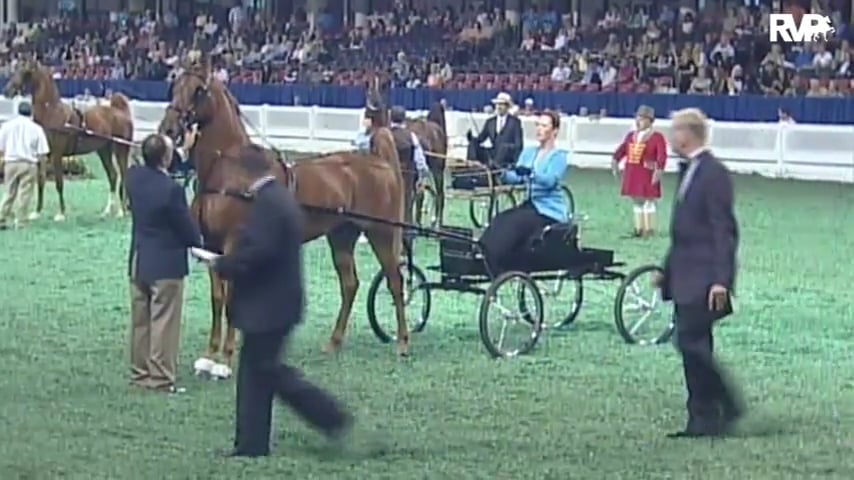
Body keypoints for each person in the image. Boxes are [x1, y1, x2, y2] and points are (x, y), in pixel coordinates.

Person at [202, 145, 352, 458]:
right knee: (257, 374)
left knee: (269, 373)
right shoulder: (277, 198)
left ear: (245, 173)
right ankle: (252, 443)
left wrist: (222, 264)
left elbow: (258, 253)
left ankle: (330, 417)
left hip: (269, 307)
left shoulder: (269, 204)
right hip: (275, 304)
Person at [656, 108, 743, 438]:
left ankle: (726, 405)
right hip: (686, 275)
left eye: (674, 129)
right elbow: (684, 231)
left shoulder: (713, 173)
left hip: (704, 277)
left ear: (686, 133)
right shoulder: (691, 171)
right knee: (694, 345)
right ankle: (705, 417)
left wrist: (721, 279)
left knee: (690, 342)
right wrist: (667, 271)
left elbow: (724, 231)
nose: (671, 135)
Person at [126, 134, 202, 394]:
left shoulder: (133, 177)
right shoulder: (172, 190)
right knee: (164, 323)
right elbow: (188, 231)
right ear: (166, 158)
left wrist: (181, 150)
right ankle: (160, 378)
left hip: (138, 260)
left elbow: (147, 160)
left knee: (140, 321)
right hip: (166, 265)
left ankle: (140, 372)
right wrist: (199, 241)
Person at [479, 111, 569, 274]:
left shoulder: (559, 156)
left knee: (515, 223)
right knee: (500, 219)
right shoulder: (529, 152)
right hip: (530, 206)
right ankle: (485, 254)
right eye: (538, 125)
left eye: (544, 126)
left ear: (554, 131)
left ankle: (500, 259)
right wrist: (501, 172)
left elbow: (549, 181)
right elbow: (516, 177)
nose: (539, 129)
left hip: (548, 210)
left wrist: (529, 173)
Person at [611, 105, 668, 237]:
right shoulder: (631, 136)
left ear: (650, 121)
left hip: (647, 173)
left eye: (642, 118)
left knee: (649, 201)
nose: (638, 121)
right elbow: (622, 150)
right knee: (636, 201)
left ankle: (649, 229)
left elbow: (661, 156)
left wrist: (658, 171)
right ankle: (638, 228)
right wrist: (615, 161)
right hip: (632, 172)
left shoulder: (656, 137)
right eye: (637, 118)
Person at [0, 101, 50, 230]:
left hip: (11, 163)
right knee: (24, 193)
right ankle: (20, 221)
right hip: (28, 163)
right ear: (31, 113)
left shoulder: (6, 126)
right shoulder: (37, 129)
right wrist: (42, 170)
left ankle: (2, 218)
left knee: (9, 192)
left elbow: (1, 148)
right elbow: (42, 153)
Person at [388, 105, 429, 225]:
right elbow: (419, 159)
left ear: (390, 118)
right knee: (406, 206)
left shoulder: (384, 135)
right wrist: (423, 173)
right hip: (405, 179)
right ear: (404, 119)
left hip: (385, 177)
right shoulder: (411, 136)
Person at [466, 92, 523, 169]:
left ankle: (494, 168)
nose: (499, 107)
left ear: (507, 106)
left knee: (503, 148)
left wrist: (507, 148)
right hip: (492, 153)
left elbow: (519, 144)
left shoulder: (515, 122)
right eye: (497, 104)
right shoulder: (490, 122)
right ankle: (472, 164)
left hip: (506, 155)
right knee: (472, 143)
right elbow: (481, 139)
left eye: (501, 104)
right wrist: (471, 138)